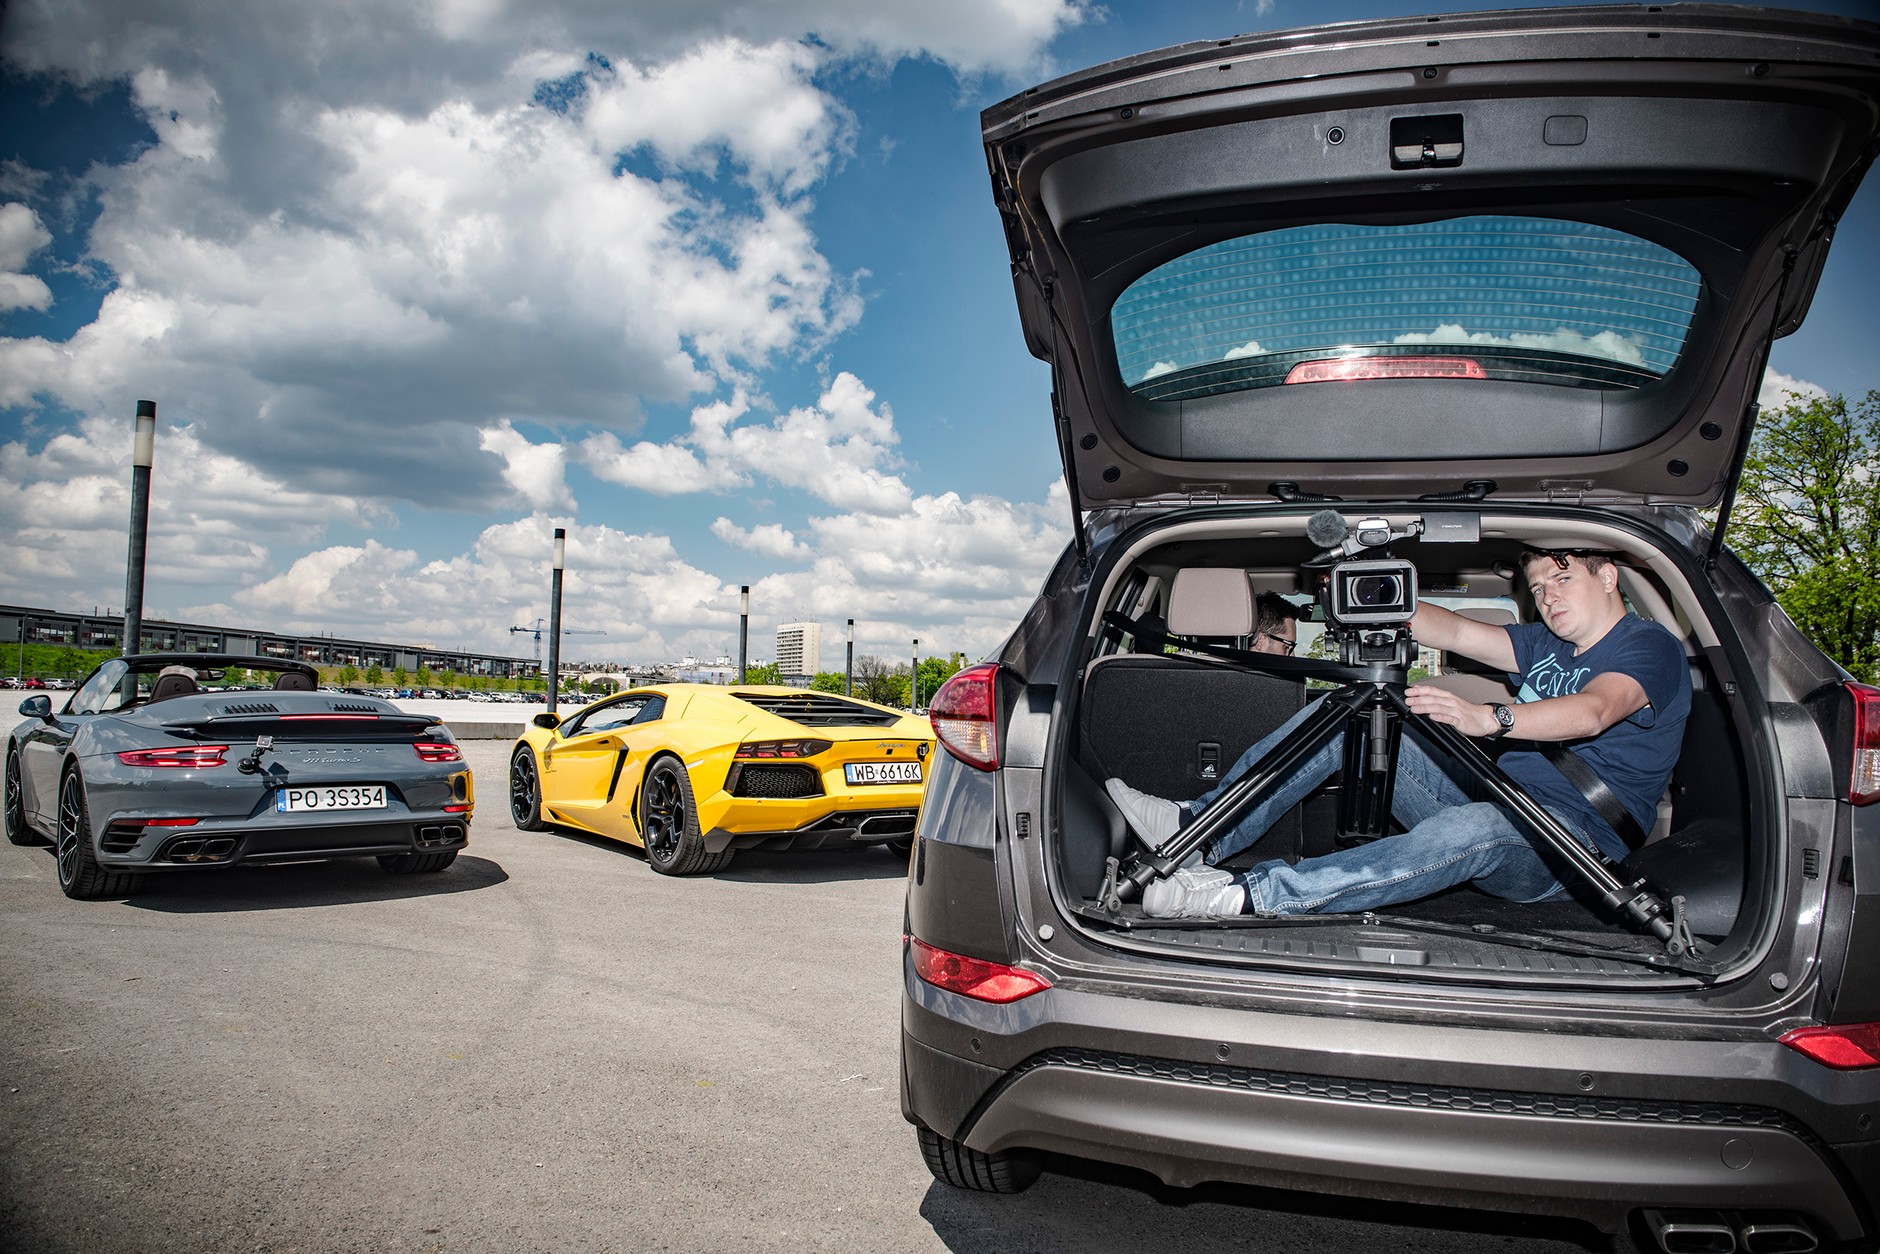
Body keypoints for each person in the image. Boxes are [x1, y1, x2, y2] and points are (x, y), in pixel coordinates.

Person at [1104, 549, 1691, 919]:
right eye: (1536, 587)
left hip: (1568, 847)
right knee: (1350, 713)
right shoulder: (1542, 643)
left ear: (1609, 575)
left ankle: (1243, 896)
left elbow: (1594, 711)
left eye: (1560, 577)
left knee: (1477, 826)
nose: (1547, 595)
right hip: (1498, 798)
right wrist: (1370, 586)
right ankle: (1196, 830)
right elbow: (1455, 631)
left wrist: (1493, 719)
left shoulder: (1649, 647)